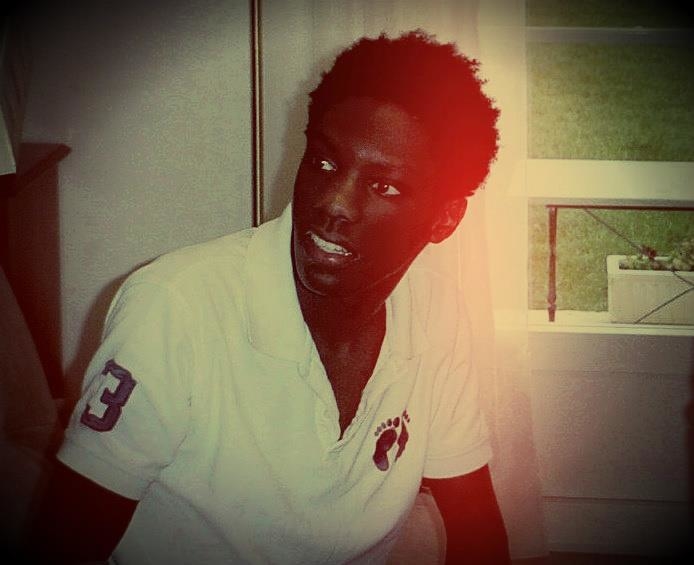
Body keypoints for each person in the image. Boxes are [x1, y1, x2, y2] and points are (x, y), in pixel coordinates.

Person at [29, 30, 509, 564]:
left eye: (384, 186)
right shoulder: (176, 307)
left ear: (446, 219)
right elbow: (63, 544)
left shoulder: (436, 310)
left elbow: (475, 524)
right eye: (324, 162)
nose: (335, 204)